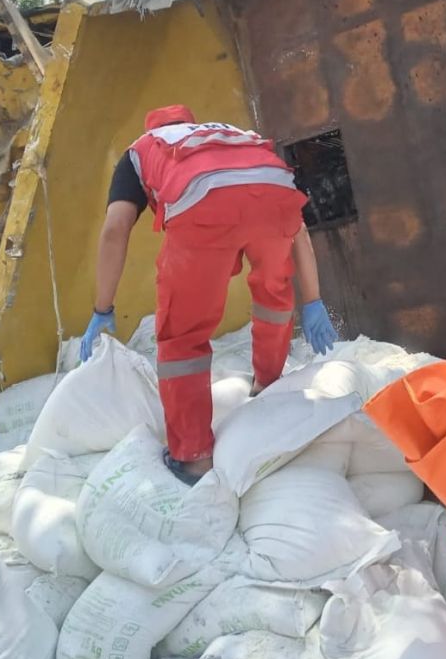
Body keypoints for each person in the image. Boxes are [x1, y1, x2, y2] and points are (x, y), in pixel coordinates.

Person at [80, 105, 339, 485]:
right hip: (275, 196)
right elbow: (295, 227)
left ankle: (193, 456)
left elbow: (115, 229)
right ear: (190, 124)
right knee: (273, 293)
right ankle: (269, 385)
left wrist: (103, 307)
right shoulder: (229, 135)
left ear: (153, 128)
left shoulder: (142, 150)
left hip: (202, 207)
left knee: (183, 333)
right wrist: (313, 299)